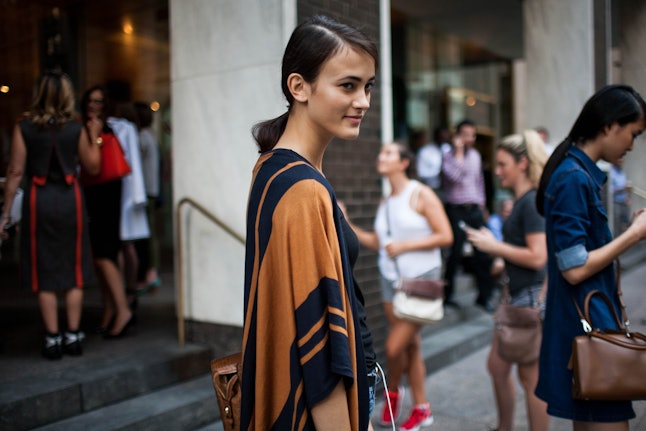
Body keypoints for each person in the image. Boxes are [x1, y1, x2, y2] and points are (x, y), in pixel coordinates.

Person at [241, 15, 378, 431]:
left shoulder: (271, 168)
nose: (364, 102)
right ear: (299, 87)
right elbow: (318, 345)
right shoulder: (302, 188)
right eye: (348, 85)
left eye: (368, 87)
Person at [535, 84, 646, 430]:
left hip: (585, 328)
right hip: (591, 331)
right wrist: (634, 235)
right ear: (610, 126)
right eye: (633, 133)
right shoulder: (573, 178)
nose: (632, 143)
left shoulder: (575, 173)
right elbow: (574, 268)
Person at [344, 142, 453, 431]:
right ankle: (421, 408)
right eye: (381, 153)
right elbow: (380, 243)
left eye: (389, 153)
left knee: (393, 348)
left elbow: (446, 235)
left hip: (419, 279)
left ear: (404, 162)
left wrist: (406, 245)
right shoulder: (386, 200)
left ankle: (392, 391)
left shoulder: (421, 193)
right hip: (390, 279)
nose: (381, 157)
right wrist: (346, 223)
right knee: (411, 346)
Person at [0, 71, 100, 359]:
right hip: (71, 200)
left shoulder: (25, 126)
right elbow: (92, 166)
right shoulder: (76, 127)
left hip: (39, 200)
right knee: (74, 270)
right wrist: (94, 138)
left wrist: (5, 214)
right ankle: (73, 335)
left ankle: (53, 339)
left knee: (44, 270)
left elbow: (16, 172)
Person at [466, 130, 549, 431]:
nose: (497, 171)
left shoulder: (530, 202)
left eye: (503, 164)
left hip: (528, 300)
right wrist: (502, 257)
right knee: (498, 366)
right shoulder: (525, 201)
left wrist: (495, 247)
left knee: (530, 378)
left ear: (523, 163)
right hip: (517, 296)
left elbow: (539, 257)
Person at [80, 86, 134, 338]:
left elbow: (94, 165)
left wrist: (93, 136)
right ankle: (110, 310)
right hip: (96, 193)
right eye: (91, 101)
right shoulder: (94, 126)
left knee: (104, 255)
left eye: (99, 101)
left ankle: (122, 309)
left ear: (105, 105)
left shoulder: (104, 128)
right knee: (101, 256)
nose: (94, 105)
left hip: (105, 193)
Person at [442, 119, 495, 311]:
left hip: (474, 209)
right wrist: (458, 152)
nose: (469, 138)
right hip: (455, 209)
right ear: (457, 135)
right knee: (454, 254)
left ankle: (484, 296)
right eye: (465, 134)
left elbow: (479, 181)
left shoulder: (475, 155)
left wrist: (482, 205)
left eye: (472, 135)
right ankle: (447, 297)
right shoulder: (448, 156)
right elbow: (455, 177)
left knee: (483, 253)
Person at [133, 101, 161, 295]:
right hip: (152, 190)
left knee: (149, 235)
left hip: (147, 191)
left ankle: (150, 274)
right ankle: (151, 273)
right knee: (151, 234)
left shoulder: (142, 138)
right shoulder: (150, 136)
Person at [416, 126, 450, 196]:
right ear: (435, 136)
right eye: (441, 136)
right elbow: (421, 172)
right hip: (433, 189)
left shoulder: (449, 149)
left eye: (445, 136)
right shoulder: (425, 151)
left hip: (450, 191)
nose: (443, 138)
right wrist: (437, 174)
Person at [610, 158, 632, 236]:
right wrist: (622, 188)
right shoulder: (611, 172)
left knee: (625, 223)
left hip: (623, 201)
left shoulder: (622, 171)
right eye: (619, 161)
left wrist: (627, 197)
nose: (621, 162)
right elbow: (609, 190)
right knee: (616, 224)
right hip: (616, 202)